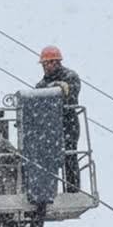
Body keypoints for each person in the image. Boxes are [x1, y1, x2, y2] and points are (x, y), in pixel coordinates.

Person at [37, 45, 82, 192]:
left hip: (68, 123)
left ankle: (72, 189)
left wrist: (57, 90)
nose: (46, 67)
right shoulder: (41, 84)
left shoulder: (70, 77)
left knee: (69, 155)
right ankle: (48, 191)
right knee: (48, 158)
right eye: (44, 64)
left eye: (48, 63)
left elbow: (70, 97)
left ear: (57, 62)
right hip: (50, 126)